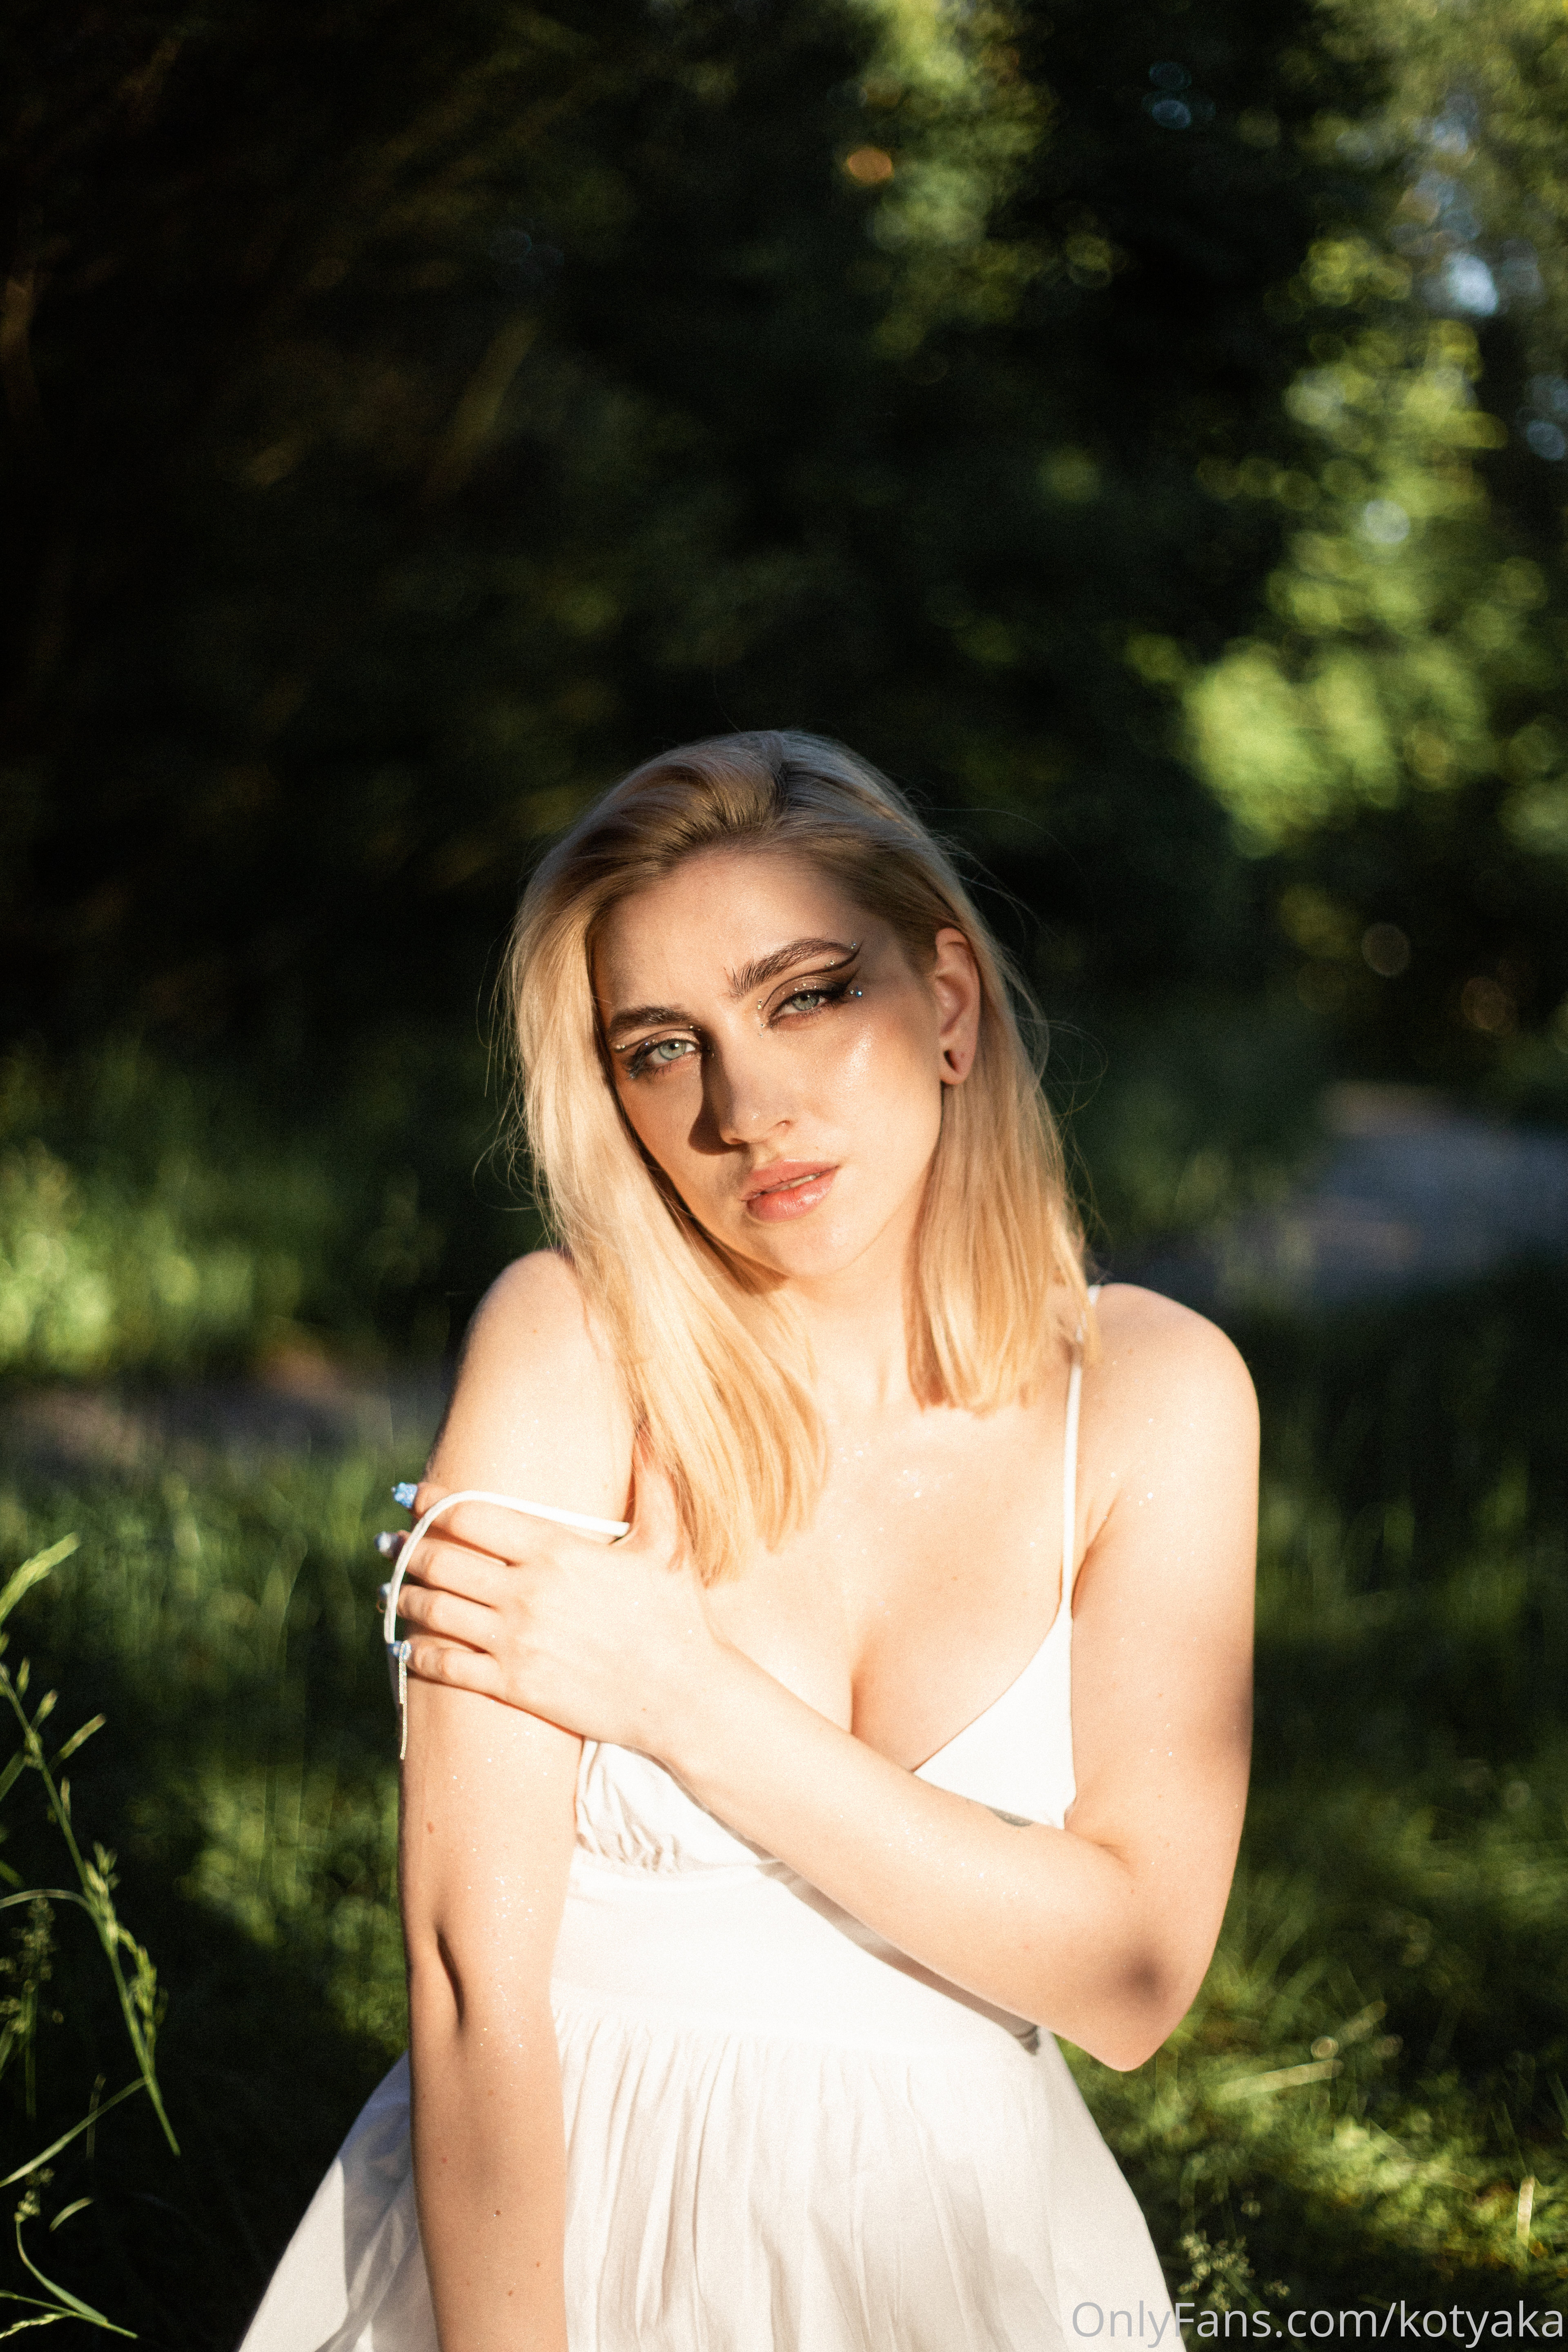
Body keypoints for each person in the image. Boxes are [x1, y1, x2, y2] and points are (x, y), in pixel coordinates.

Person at [239, 730, 1257, 2352]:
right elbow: (470, 1979)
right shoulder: (571, 1344)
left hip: (963, 2256)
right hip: (567, 2245)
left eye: (807, 996)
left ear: (949, 1004)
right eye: (663, 1049)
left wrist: (683, 1696)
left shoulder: (1156, 1392)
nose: (747, 1108)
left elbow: (1131, 1982)